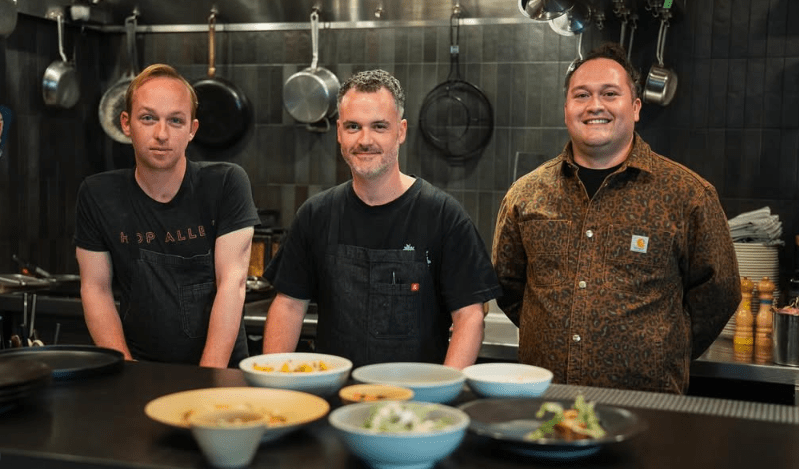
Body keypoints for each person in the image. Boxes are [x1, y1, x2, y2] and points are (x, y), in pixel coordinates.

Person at [491, 43, 741, 394]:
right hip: (547, 403)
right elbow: (507, 285)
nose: (595, 105)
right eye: (581, 95)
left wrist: (663, 346)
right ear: (566, 109)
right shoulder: (526, 195)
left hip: (648, 405)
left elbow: (720, 292)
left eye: (610, 93)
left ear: (635, 107)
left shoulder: (687, 195)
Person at [262, 69, 501, 369]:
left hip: (417, 395)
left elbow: (469, 317)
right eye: (353, 127)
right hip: (334, 392)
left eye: (379, 126)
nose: (365, 140)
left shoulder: (443, 215)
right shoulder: (316, 214)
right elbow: (288, 305)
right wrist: (271, 382)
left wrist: (443, 389)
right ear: (339, 132)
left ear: (400, 131)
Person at [74, 64, 259, 368]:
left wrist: (207, 378)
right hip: (140, 369)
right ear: (126, 123)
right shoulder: (97, 194)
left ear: (192, 130)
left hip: (221, 373)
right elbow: (96, 289)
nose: (162, 134)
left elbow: (233, 284)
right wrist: (127, 370)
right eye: (148, 118)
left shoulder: (226, 183)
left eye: (175, 120)